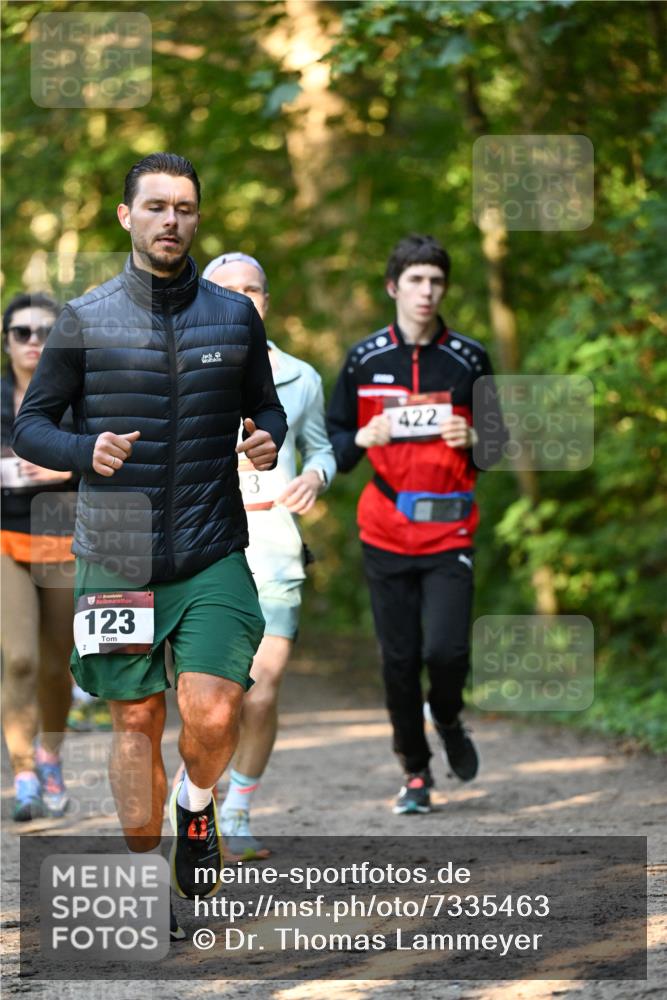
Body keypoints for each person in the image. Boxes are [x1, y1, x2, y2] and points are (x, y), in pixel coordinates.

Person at [12, 154, 287, 934]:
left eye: (186, 209)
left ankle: (196, 805)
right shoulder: (85, 318)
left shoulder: (234, 319)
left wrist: (266, 439)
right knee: (135, 723)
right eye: (158, 207)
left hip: (209, 542)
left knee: (213, 707)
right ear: (127, 217)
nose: (173, 221)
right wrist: (82, 449)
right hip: (118, 550)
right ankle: (149, 873)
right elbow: (35, 422)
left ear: (198, 219)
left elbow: (266, 409)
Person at [326, 234, 506, 815]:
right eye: (415, 281)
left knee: (447, 651)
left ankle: (448, 717)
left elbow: (498, 446)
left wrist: (476, 437)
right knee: (399, 660)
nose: (426, 292)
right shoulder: (364, 359)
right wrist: (360, 435)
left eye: (436, 281)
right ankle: (416, 772)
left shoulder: (470, 357)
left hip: (449, 527)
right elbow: (333, 441)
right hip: (384, 527)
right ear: (393, 287)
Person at [202, 251, 336, 860]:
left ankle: (238, 809)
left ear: (266, 300)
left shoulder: (301, 376)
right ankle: (196, 798)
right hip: (204, 547)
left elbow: (322, 448)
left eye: (253, 288)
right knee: (214, 696)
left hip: (276, 545)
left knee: (262, 688)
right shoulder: (180, 368)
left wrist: (316, 477)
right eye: (227, 289)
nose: (242, 298)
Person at [1, 292, 76, 821]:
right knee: (20, 660)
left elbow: (125, 456)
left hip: (64, 537)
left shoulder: (80, 398)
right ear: (6, 341)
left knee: (57, 667)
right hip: (5, 538)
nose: (34, 342)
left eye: (45, 333)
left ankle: (50, 755)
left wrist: (66, 465)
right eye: (22, 333)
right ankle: (23, 771)